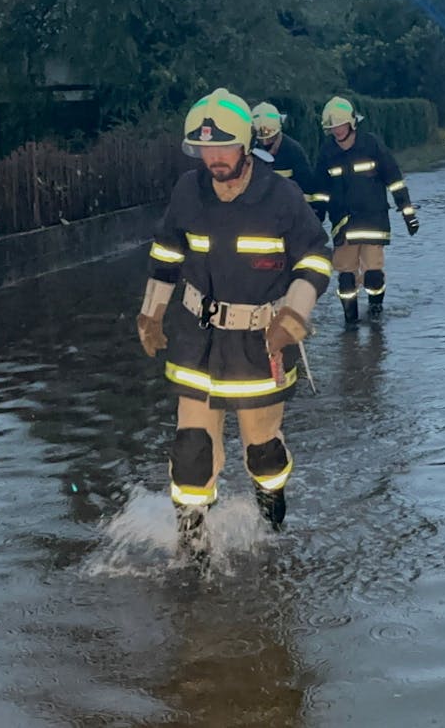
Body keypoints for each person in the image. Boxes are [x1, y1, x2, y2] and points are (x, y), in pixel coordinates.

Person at [137, 88, 333, 537]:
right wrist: (151, 313)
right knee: (191, 448)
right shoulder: (188, 191)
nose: (214, 158)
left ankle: (271, 501)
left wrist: (294, 317)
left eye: (223, 146)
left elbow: (316, 257)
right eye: (205, 149)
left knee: (262, 451)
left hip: (260, 343)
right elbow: (166, 253)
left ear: (245, 144)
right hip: (195, 341)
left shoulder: (281, 197)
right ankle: (191, 541)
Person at [313, 96, 419, 324]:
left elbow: (394, 180)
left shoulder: (372, 145)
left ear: (352, 123)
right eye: (332, 128)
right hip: (343, 223)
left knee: (372, 275)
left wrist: (407, 212)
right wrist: (315, 219)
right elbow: (320, 191)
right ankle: (349, 323)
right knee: (346, 281)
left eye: (340, 125)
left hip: (373, 221)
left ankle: (375, 311)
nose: (337, 131)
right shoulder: (327, 153)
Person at [250, 102, 324, 216]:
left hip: (288, 217)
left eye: (270, 139)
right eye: (261, 141)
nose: (265, 143)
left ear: (279, 130)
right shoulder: (250, 152)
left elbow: (308, 192)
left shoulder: (293, 152)